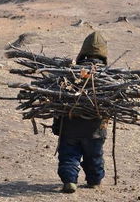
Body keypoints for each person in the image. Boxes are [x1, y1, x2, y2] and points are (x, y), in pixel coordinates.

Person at [52, 31, 109, 193]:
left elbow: (58, 102)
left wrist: (57, 125)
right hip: (95, 130)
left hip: (70, 127)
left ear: (82, 52)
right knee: (94, 158)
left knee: (69, 156)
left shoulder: (69, 74)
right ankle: (94, 181)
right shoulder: (109, 76)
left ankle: (70, 180)